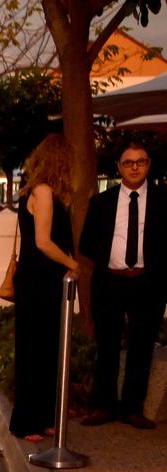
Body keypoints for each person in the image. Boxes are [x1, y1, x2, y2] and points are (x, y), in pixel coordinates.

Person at [79, 140, 165, 430]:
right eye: (128, 163)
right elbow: (87, 245)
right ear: (119, 167)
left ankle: (132, 408)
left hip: (148, 284)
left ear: (148, 165)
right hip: (110, 283)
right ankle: (103, 406)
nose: (134, 167)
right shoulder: (102, 202)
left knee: (141, 347)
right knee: (107, 346)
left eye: (140, 161)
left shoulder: (163, 200)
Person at [9, 134, 81, 441]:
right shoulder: (43, 191)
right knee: (34, 351)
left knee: (48, 350)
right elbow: (42, 242)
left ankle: (42, 417)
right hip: (38, 281)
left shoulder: (42, 191)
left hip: (43, 281)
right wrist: (71, 263)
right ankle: (26, 421)